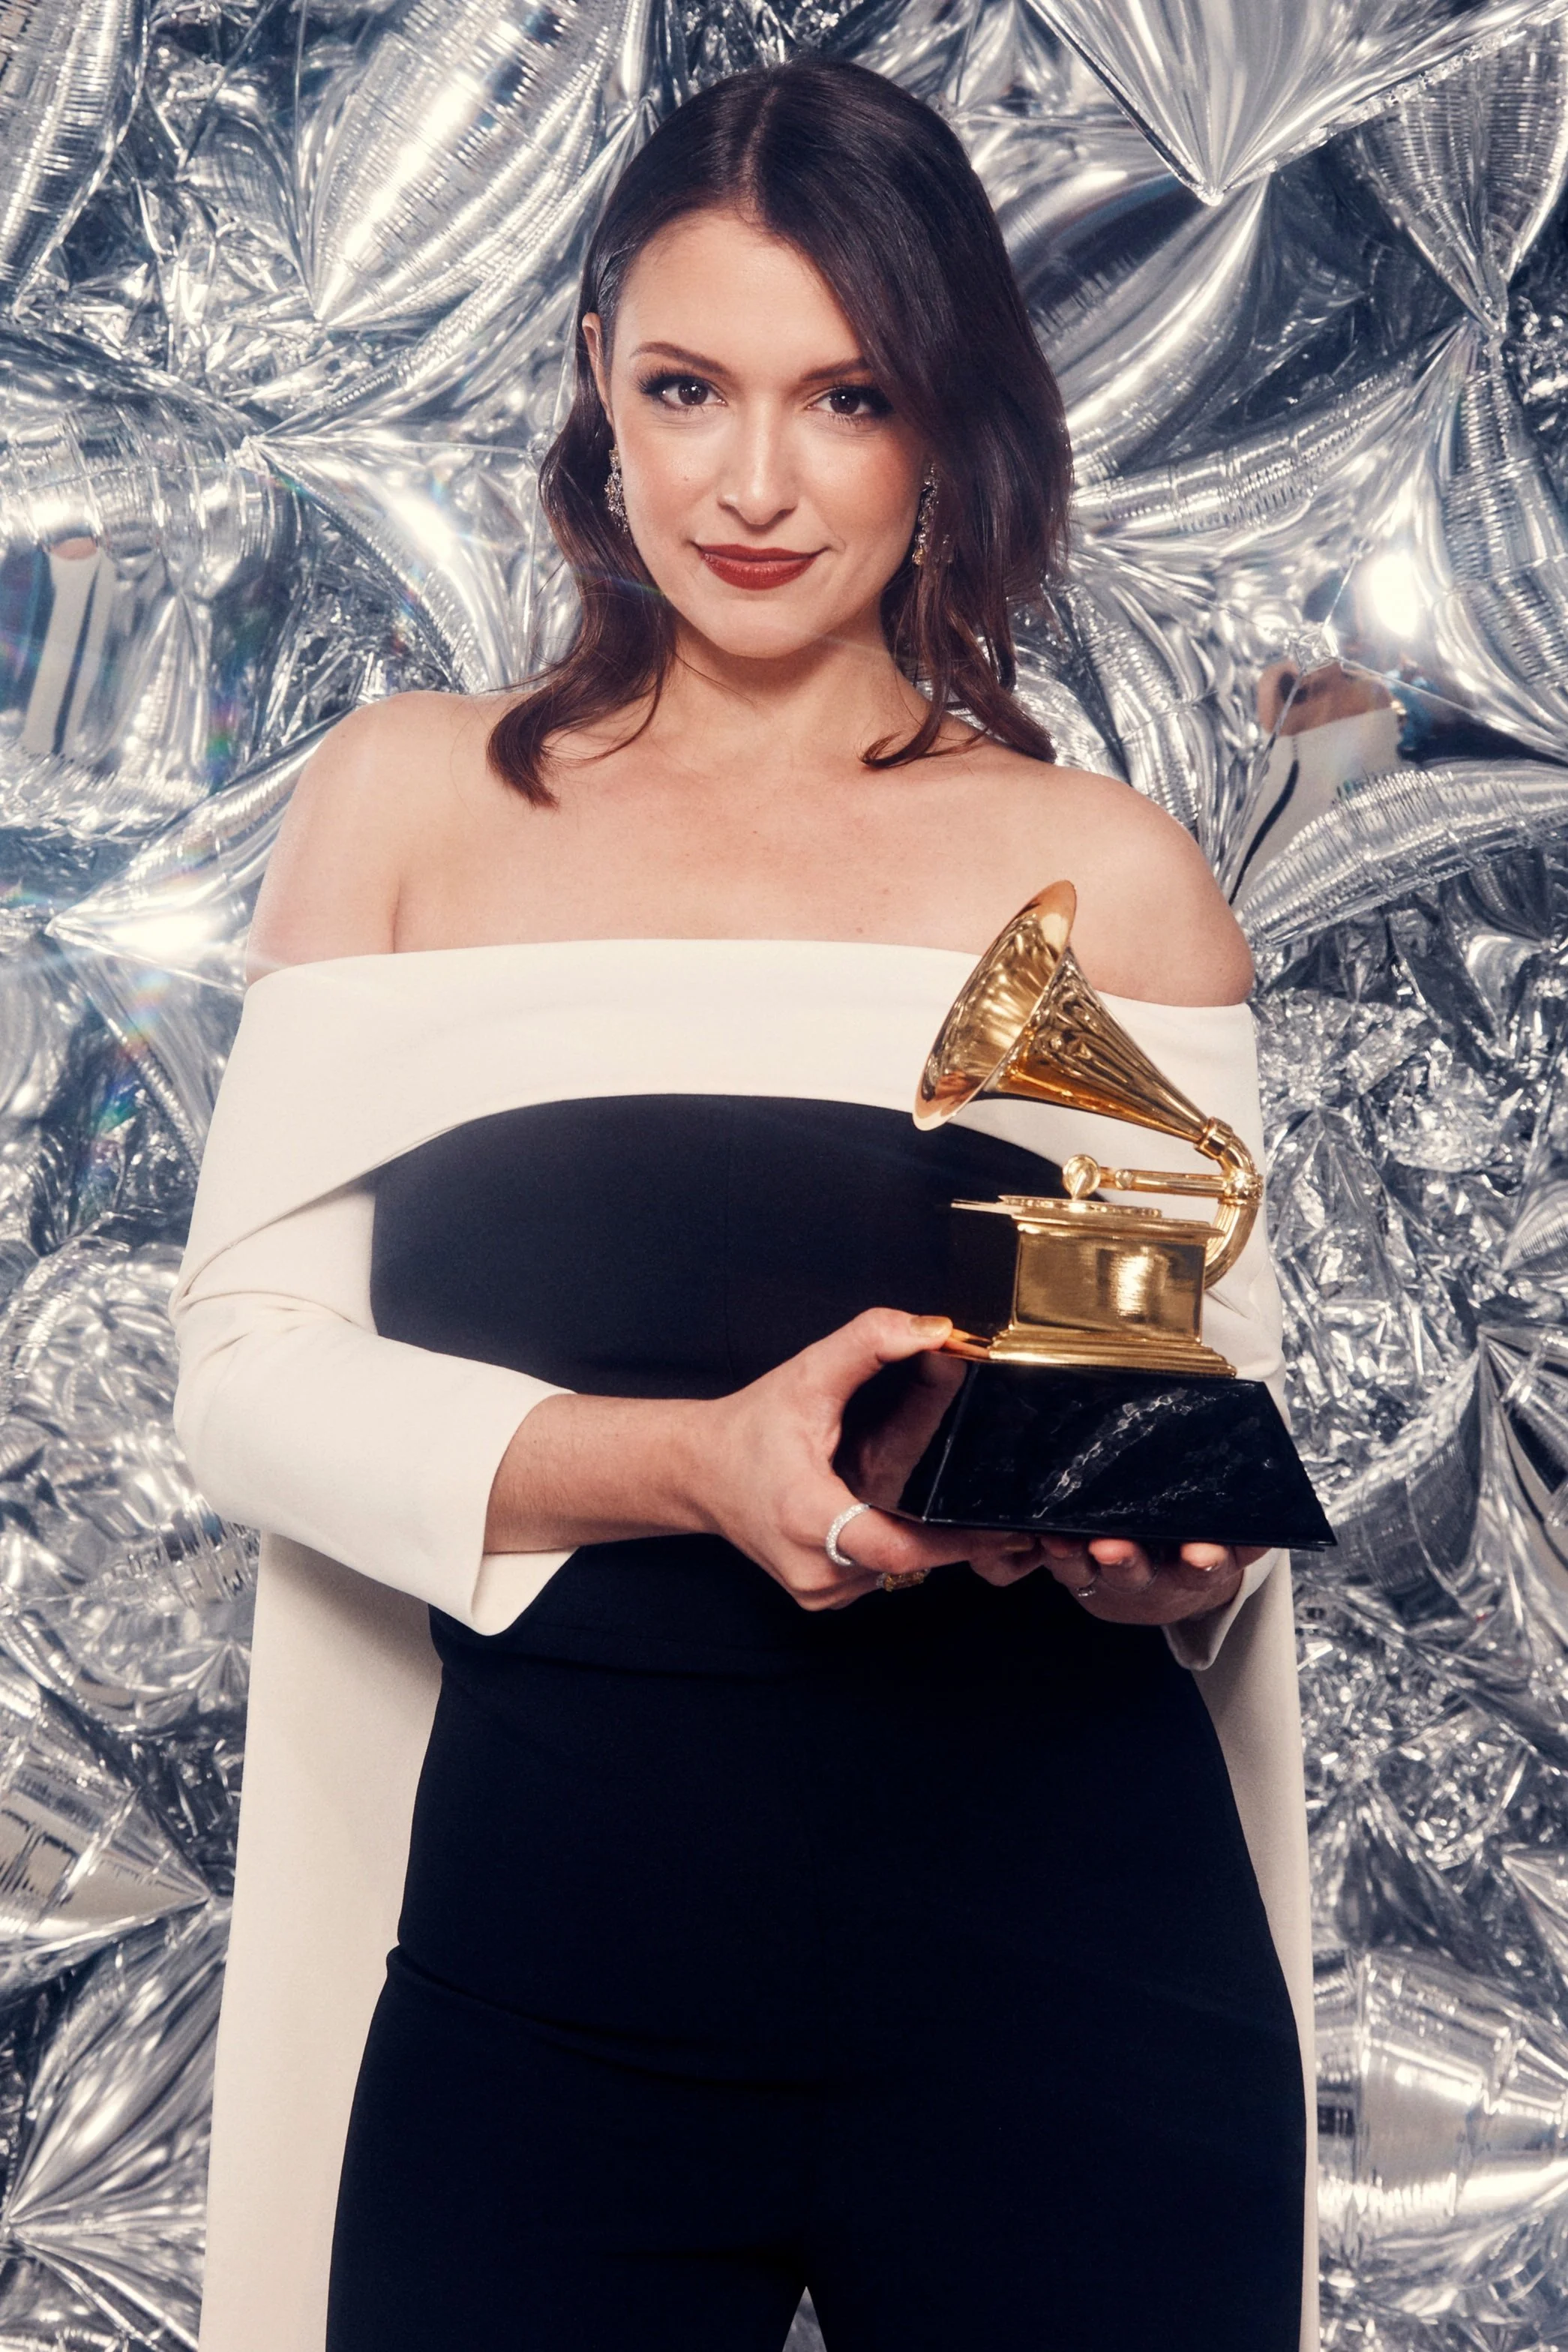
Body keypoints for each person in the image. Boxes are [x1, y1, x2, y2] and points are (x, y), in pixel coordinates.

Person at [172, 58, 1314, 2352]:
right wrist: (686, 1464)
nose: (758, 482)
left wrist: (1151, 1540)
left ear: (947, 422)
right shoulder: (417, 804)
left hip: (1074, 1978)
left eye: (848, 394)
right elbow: (248, 1386)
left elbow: (1164, 1417)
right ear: (598, 377)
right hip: (545, 1978)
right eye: (689, 386)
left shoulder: (1097, 872)